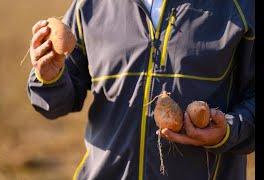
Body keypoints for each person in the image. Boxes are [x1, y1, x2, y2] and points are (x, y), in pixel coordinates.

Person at [26, 0, 255, 179]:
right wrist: (50, 77)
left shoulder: (240, 6)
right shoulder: (90, 5)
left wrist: (229, 131)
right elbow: (57, 104)